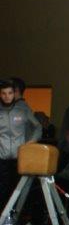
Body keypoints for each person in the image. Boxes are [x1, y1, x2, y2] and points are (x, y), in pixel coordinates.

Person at [0, 79, 42, 214]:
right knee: (2, 191)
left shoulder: (23, 110)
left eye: (10, 93)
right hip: (1, 159)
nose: (7, 96)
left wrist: (31, 142)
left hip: (19, 158)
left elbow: (38, 127)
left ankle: (15, 218)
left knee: (17, 190)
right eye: (4, 93)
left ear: (14, 93)